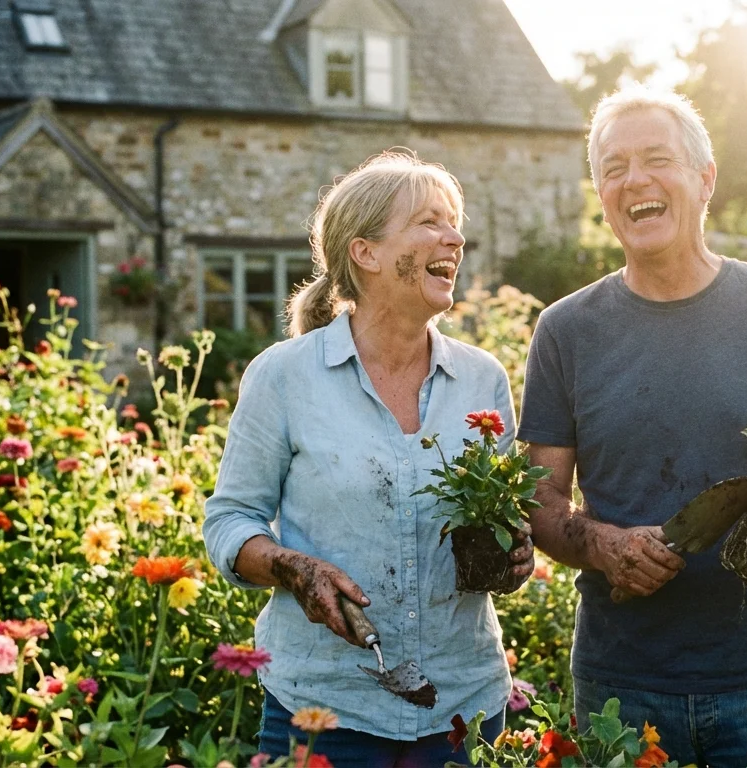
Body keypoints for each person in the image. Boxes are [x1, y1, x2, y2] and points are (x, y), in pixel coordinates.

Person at [518, 86, 747, 765]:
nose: (634, 181)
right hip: (623, 682)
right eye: (613, 168)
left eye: (656, 159)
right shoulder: (566, 331)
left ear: (705, 180)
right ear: (600, 192)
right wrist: (606, 546)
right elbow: (542, 501)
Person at [203, 151, 531, 766]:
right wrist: (293, 568)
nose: (455, 237)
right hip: (326, 706)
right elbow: (230, 520)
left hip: (463, 707)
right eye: (431, 221)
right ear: (366, 252)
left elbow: (498, 520)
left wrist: (512, 552)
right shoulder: (284, 376)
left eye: (455, 222)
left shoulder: (480, 380)